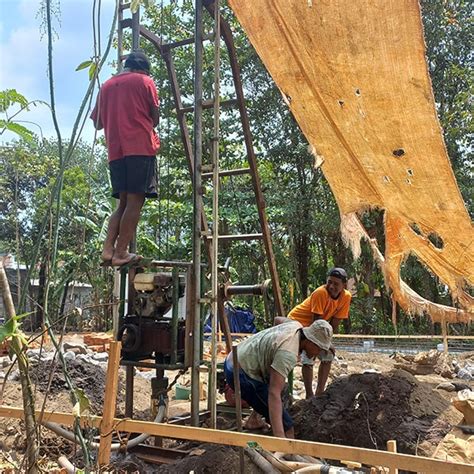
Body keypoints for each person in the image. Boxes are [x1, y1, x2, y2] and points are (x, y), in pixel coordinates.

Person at [90, 51, 160, 267]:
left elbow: (97, 123)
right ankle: (121, 252)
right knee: (135, 202)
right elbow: (155, 118)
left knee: (122, 202)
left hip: (116, 152)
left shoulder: (107, 87)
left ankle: (108, 249)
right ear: (143, 69)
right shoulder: (145, 82)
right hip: (140, 147)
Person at [224, 319, 333, 438]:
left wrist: (270, 345)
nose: (318, 354)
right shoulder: (287, 354)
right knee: (288, 427)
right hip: (240, 373)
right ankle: (282, 447)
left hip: (237, 357)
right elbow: (273, 393)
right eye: (319, 349)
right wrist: (281, 435)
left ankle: (254, 420)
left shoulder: (295, 325)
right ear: (310, 341)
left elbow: (277, 320)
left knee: (281, 385)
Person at [276, 267, 351, 399]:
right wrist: (324, 343)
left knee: (328, 355)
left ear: (344, 286)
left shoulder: (346, 297)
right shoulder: (320, 293)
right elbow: (316, 323)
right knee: (308, 356)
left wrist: (328, 343)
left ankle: (319, 393)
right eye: (329, 282)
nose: (331, 286)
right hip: (298, 324)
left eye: (336, 284)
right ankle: (309, 395)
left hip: (317, 327)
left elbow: (334, 323)